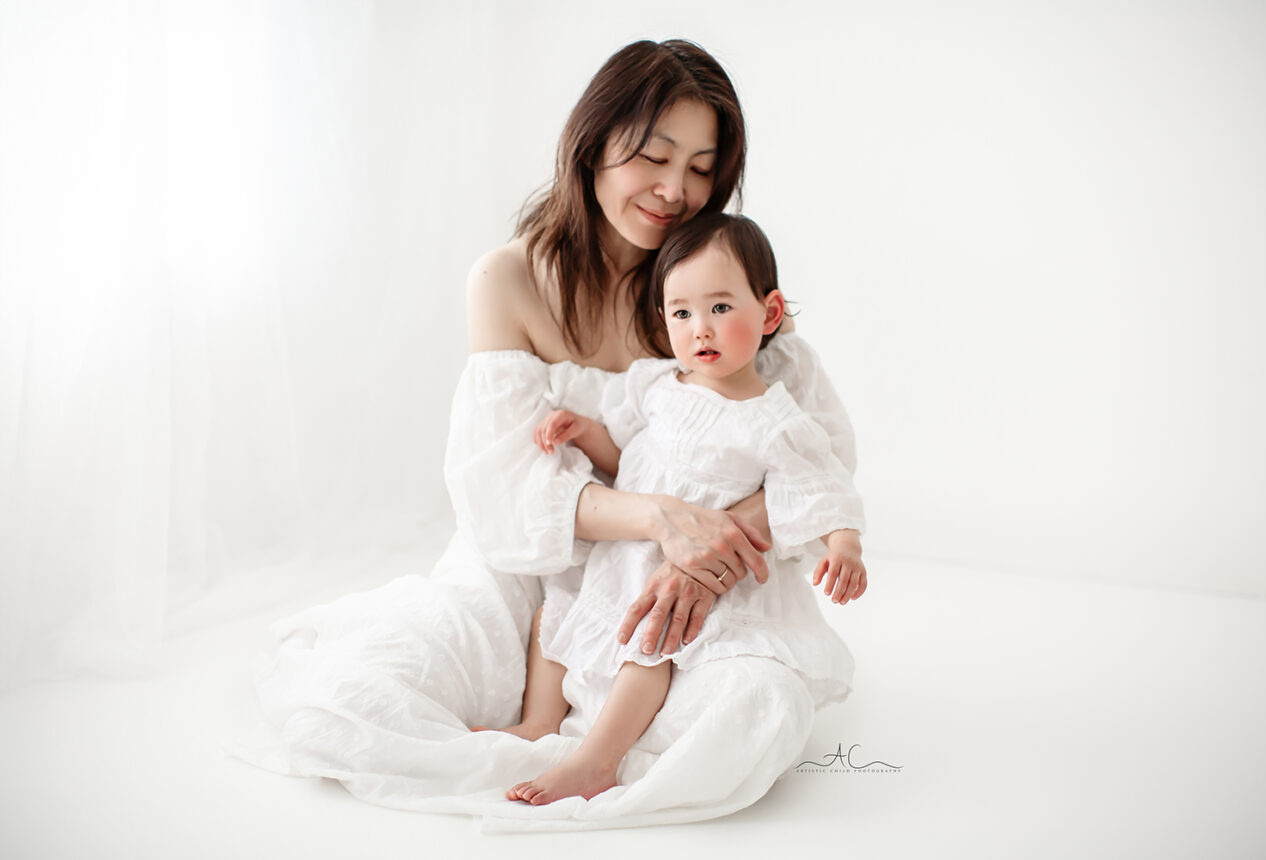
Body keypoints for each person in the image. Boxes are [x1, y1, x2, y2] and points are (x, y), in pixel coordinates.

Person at [246, 39, 867, 829]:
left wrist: (703, 553)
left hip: (708, 575)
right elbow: (505, 488)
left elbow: (817, 460)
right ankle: (545, 732)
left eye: (704, 167)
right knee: (355, 699)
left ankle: (593, 756)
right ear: (595, 142)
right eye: (654, 154)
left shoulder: (711, 284)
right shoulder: (507, 279)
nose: (677, 190)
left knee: (748, 715)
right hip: (534, 560)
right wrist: (657, 517)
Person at [501, 213, 867, 806]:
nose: (701, 329)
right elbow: (630, 466)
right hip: (624, 558)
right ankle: (539, 723)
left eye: (721, 308)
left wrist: (843, 544)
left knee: (650, 650)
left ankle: (598, 759)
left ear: (770, 314)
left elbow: (820, 486)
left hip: (688, 574)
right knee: (552, 615)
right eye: (682, 313)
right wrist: (586, 433)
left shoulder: (775, 420)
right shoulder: (658, 386)